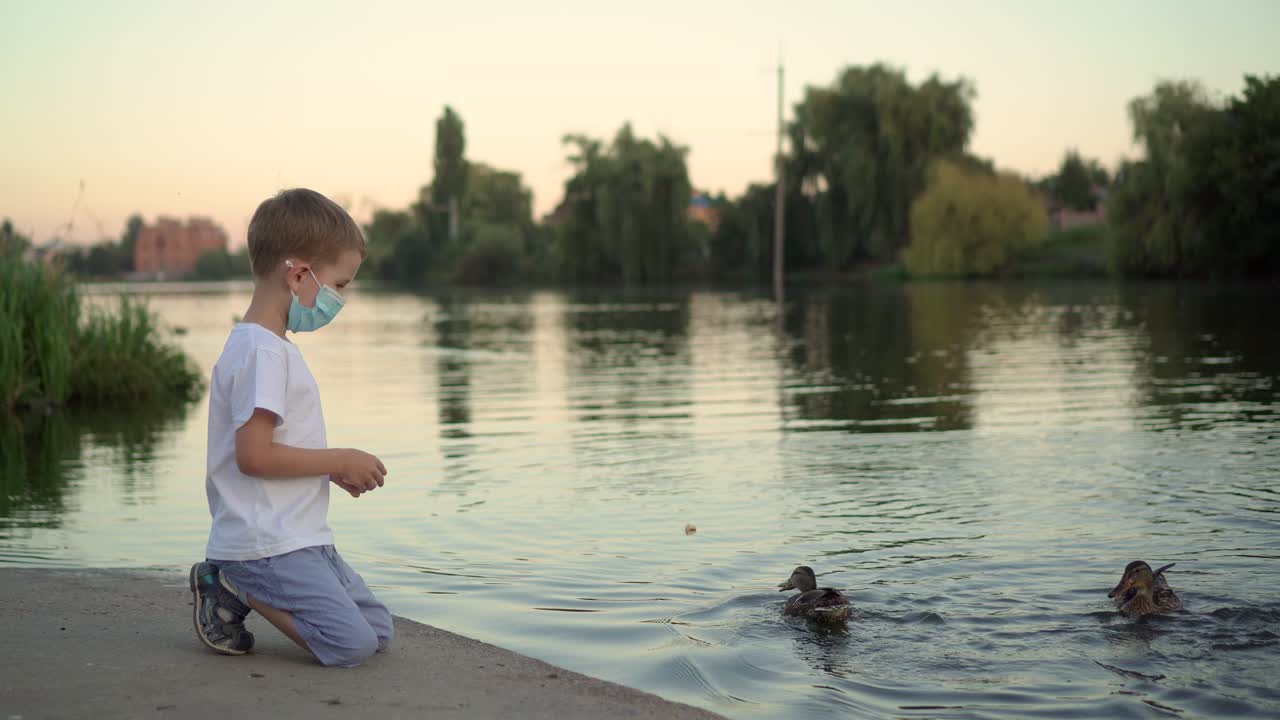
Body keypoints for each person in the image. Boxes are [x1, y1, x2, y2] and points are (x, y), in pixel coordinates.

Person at [189, 188, 392, 667]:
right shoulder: (260, 352)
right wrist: (338, 459)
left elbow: (281, 447)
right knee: (351, 646)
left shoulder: (274, 349)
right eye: (339, 285)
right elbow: (254, 456)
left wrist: (327, 472)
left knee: (379, 631)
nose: (340, 299)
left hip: (301, 536)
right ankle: (231, 583)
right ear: (299, 274)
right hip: (264, 543)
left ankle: (247, 584)